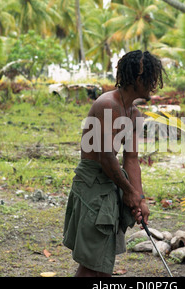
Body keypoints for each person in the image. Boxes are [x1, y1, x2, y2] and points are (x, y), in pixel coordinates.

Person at [63, 50, 165, 277]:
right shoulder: (107, 105)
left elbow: (131, 159)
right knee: (92, 265)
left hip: (109, 184)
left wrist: (139, 199)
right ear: (139, 80)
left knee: (102, 262)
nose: (154, 85)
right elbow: (106, 157)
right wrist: (128, 192)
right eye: (151, 79)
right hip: (93, 187)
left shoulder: (135, 115)